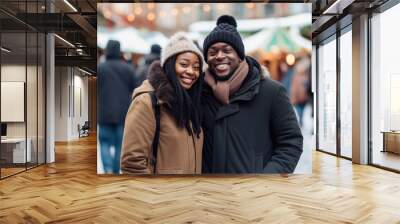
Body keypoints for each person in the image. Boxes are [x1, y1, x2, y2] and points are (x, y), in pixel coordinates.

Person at [201, 15, 303, 174]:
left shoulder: (272, 92)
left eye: (227, 50)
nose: (219, 56)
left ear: (240, 55)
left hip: (254, 192)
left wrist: (266, 179)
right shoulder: (201, 92)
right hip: (210, 191)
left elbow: (291, 142)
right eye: (213, 52)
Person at [121, 32, 205, 174]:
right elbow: (132, 164)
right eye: (184, 64)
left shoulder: (191, 103)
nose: (191, 71)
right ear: (170, 65)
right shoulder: (147, 102)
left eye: (196, 67)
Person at [97, 40, 139, 174]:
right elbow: (135, 89)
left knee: (104, 143)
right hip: (123, 114)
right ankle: (115, 170)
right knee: (120, 145)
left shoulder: (100, 68)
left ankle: (107, 169)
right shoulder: (128, 68)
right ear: (119, 50)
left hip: (104, 114)